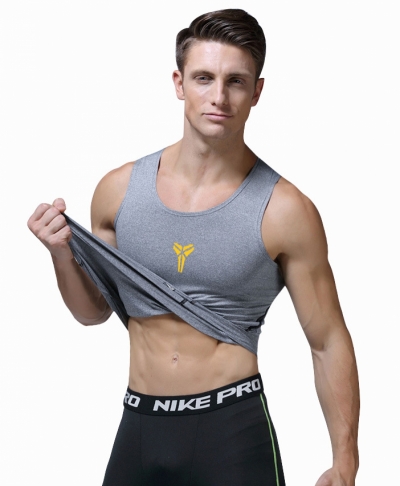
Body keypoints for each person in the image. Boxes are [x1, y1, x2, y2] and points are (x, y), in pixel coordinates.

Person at [27, 9, 359, 486]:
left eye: (236, 81)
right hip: (139, 425)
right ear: (179, 83)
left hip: (231, 431)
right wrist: (61, 254)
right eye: (204, 78)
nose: (219, 97)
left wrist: (345, 461)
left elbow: (327, 339)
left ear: (257, 92)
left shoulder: (285, 210)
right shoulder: (118, 191)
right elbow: (92, 311)